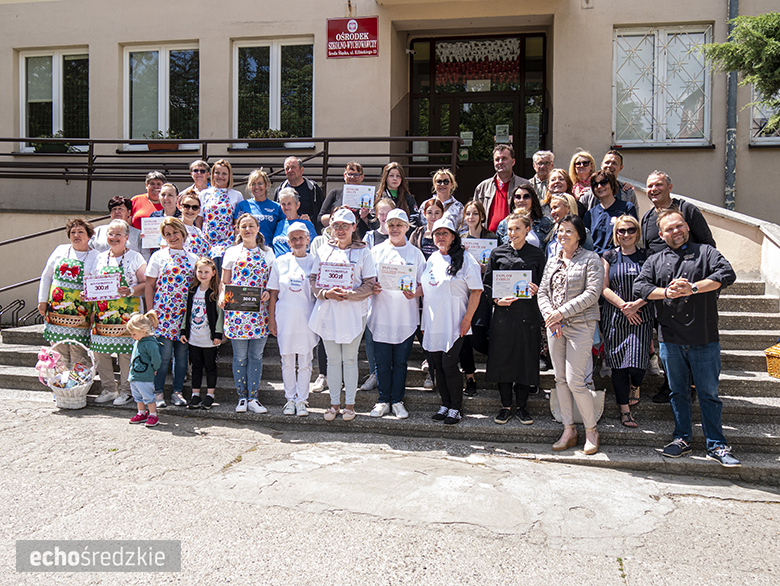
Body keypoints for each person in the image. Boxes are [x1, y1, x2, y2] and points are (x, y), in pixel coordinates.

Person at [633, 209, 741, 467]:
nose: (676, 231)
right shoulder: (655, 260)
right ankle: (682, 438)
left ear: (687, 226)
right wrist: (666, 293)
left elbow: (727, 274)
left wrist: (692, 288)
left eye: (679, 225)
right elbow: (640, 286)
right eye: (669, 229)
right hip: (670, 339)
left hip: (704, 337)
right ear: (661, 235)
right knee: (678, 392)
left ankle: (717, 444)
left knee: (708, 394)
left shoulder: (706, 252)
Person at [538, 214, 603, 455]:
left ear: (579, 236)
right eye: (560, 230)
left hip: (581, 325)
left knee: (576, 380)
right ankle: (568, 430)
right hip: (555, 326)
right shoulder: (553, 260)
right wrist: (551, 315)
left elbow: (592, 293)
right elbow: (542, 292)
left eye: (568, 231)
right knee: (560, 379)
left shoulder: (591, 259)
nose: (562, 234)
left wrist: (561, 313)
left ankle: (591, 431)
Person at [308, 208, 377, 421]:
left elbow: (370, 284)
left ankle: (350, 405)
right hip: (328, 310)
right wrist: (325, 293)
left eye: (345, 226)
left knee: (350, 358)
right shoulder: (323, 251)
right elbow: (313, 279)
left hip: (354, 312)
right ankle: (334, 404)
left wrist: (350, 295)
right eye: (336, 226)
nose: (340, 230)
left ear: (354, 227)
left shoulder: (364, 252)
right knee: (332, 359)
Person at [484, 211, 545, 425]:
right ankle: (505, 406)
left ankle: (522, 407)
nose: (513, 233)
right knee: (503, 360)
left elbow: (545, 284)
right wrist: (496, 300)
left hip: (528, 315)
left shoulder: (537, 254)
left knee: (525, 360)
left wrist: (537, 289)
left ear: (527, 229)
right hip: (504, 315)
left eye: (517, 228)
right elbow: (488, 283)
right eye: (510, 229)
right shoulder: (497, 253)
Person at [422, 218, 483, 425]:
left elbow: (476, 291)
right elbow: (428, 288)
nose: (440, 237)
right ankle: (445, 404)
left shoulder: (466, 259)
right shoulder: (432, 258)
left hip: (455, 322)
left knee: (449, 364)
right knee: (438, 366)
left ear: (454, 236)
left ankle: (456, 407)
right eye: (437, 233)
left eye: (445, 233)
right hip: (433, 321)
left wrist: (467, 319)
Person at [367, 209, 425, 419]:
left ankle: (398, 401)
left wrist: (415, 293)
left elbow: (424, 284)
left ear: (407, 227)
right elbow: (366, 280)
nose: (394, 228)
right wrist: (372, 287)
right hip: (381, 315)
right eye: (391, 224)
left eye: (399, 224)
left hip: (405, 317)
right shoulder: (376, 251)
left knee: (400, 362)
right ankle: (383, 400)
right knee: (382, 362)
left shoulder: (415, 254)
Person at [220, 213, 275, 414]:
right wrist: (222, 295)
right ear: (238, 229)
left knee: (256, 356)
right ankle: (241, 397)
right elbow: (225, 281)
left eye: (251, 225)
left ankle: (254, 397)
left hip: (259, 313)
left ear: (258, 228)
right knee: (240, 357)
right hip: (237, 314)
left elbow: (272, 282)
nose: (248, 229)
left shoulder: (268, 253)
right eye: (243, 226)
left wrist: (267, 292)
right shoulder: (231, 252)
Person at [601, 215, 652, 428]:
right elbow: (604, 288)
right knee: (618, 366)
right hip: (615, 316)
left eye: (631, 230)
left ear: (637, 232)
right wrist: (624, 307)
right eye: (621, 230)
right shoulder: (609, 256)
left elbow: (654, 285)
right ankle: (625, 411)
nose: (626, 234)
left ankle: (635, 385)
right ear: (616, 234)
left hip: (641, 315)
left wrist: (636, 305)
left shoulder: (647, 256)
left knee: (638, 366)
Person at [89, 219, 147, 407]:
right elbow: (93, 283)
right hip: (103, 314)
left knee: (126, 354)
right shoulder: (100, 257)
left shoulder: (136, 257)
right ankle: (109, 389)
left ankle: (126, 391)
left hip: (127, 314)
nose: (114, 238)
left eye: (118, 234)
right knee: (100, 351)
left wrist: (130, 290)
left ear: (126, 237)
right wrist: (87, 294)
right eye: (111, 234)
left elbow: (146, 283)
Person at [144, 217, 198, 408]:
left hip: (184, 316)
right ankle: (158, 392)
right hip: (163, 314)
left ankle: (177, 392)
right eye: (167, 234)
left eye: (175, 232)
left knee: (182, 357)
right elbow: (149, 285)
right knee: (163, 355)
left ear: (183, 233)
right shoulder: (158, 256)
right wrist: (150, 311)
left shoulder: (193, 259)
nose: (172, 237)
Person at [268, 222, 319, 418]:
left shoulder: (315, 261)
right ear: (288, 242)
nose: (298, 242)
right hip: (285, 317)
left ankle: (302, 400)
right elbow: (273, 293)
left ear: (308, 240)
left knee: (305, 361)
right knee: (287, 361)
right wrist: (271, 320)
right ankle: (289, 399)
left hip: (307, 317)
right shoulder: (280, 261)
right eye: (293, 239)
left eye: (301, 238)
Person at [38, 219, 99, 366]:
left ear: (89, 236)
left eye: (80, 232)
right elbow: (46, 276)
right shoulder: (60, 250)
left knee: (78, 351)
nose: (76, 235)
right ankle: (61, 379)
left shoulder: (97, 256)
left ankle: (78, 380)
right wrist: (42, 301)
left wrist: (95, 309)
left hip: (81, 313)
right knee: (58, 352)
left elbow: (99, 284)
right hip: (56, 311)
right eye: (73, 232)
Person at [458, 200, 495, 396]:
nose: (470, 217)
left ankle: (501, 361)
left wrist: (485, 268)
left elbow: (499, 267)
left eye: (474, 213)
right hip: (464, 292)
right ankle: (470, 377)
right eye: (468, 213)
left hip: (483, 292)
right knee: (464, 337)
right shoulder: (460, 239)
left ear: (482, 216)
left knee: (478, 338)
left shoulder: (492, 238)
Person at [360, 197, 397, 392]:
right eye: (380, 213)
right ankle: (374, 373)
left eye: (387, 213)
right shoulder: (370, 237)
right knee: (371, 334)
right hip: (374, 295)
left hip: (396, 297)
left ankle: (389, 372)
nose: (383, 217)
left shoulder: (400, 237)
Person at [180, 257, 223, 410]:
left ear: (213, 273)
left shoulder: (215, 292)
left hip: (209, 338)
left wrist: (218, 333)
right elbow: (187, 312)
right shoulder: (192, 291)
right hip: (194, 337)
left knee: (210, 366)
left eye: (206, 272)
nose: (203, 275)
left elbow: (220, 314)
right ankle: (195, 394)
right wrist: (183, 330)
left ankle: (210, 395)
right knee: (196, 367)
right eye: (200, 271)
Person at [641, 171, 715, 254]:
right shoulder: (646, 218)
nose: (654, 189)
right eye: (650, 186)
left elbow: (708, 245)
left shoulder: (686, 209)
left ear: (669, 187)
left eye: (658, 185)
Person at [199, 159, 244, 269]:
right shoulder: (204, 194)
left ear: (229, 176)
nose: (220, 176)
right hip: (207, 240)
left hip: (227, 241)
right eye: (217, 173)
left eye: (224, 173)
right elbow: (199, 220)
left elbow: (237, 223)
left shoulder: (237, 195)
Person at [473, 144, 527, 233]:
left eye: (504, 159)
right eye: (497, 159)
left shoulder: (524, 185)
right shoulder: (482, 187)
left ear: (513, 162)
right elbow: (474, 214)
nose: (500, 162)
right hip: (488, 238)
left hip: (514, 236)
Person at [582, 170, 638, 254]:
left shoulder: (626, 208)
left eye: (603, 182)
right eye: (595, 184)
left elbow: (633, 235)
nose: (599, 186)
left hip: (618, 257)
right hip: (595, 258)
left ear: (612, 184)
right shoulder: (589, 214)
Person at [126, 311, 163, 427]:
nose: (132, 336)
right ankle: (141, 413)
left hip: (145, 376)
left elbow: (156, 359)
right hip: (135, 375)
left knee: (148, 396)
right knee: (138, 397)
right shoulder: (138, 341)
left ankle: (153, 415)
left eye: (133, 334)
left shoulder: (150, 343)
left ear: (143, 330)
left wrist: (154, 368)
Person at [234, 168, 284, 249]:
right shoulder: (242, 205)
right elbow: (237, 232)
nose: (256, 187)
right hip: (247, 250)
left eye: (260, 183)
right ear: (250, 186)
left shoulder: (277, 207)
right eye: (253, 184)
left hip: (268, 250)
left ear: (266, 185)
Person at [318, 162, 372, 236]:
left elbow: (375, 224)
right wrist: (336, 213)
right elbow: (320, 220)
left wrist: (365, 218)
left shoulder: (369, 196)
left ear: (362, 177)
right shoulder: (335, 193)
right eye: (349, 174)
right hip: (338, 236)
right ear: (344, 176)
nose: (352, 177)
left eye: (356, 175)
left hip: (361, 237)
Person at [273, 156, 325, 232]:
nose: (290, 170)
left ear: (302, 170)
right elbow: (276, 214)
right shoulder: (280, 190)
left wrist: (312, 222)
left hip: (309, 231)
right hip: (286, 232)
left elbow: (321, 212)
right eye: (287, 168)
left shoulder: (313, 189)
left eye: (293, 167)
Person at [496, 183, 553, 248]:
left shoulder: (544, 222)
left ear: (533, 200)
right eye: (518, 197)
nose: (521, 200)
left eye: (526, 196)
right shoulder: (504, 224)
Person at [271, 187, 318, 257]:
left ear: (297, 205)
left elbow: (315, 248)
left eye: (289, 203)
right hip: (278, 262)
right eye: (283, 204)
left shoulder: (306, 224)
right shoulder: (280, 224)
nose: (286, 207)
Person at [142, 183, 181, 259]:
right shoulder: (154, 216)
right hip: (158, 258)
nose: (166, 198)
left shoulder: (183, 217)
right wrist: (145, 236)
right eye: (163, 195)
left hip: (178, 258)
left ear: (177, 198)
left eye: (170, 195)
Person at [375, 162, 419, 229]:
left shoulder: (408, 198)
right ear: (386, 178)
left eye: (398, 176)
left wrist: (404, 230)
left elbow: (414, 218)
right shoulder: (379, 197)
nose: (395, 178)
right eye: (391, 176)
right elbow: (373, 218)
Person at [177, 192, 211, 258]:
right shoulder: (174, 228)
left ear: (199, 211)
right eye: (187, 206)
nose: (190, 210)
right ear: (180, 207)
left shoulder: (198, 231)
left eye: (194, 207)